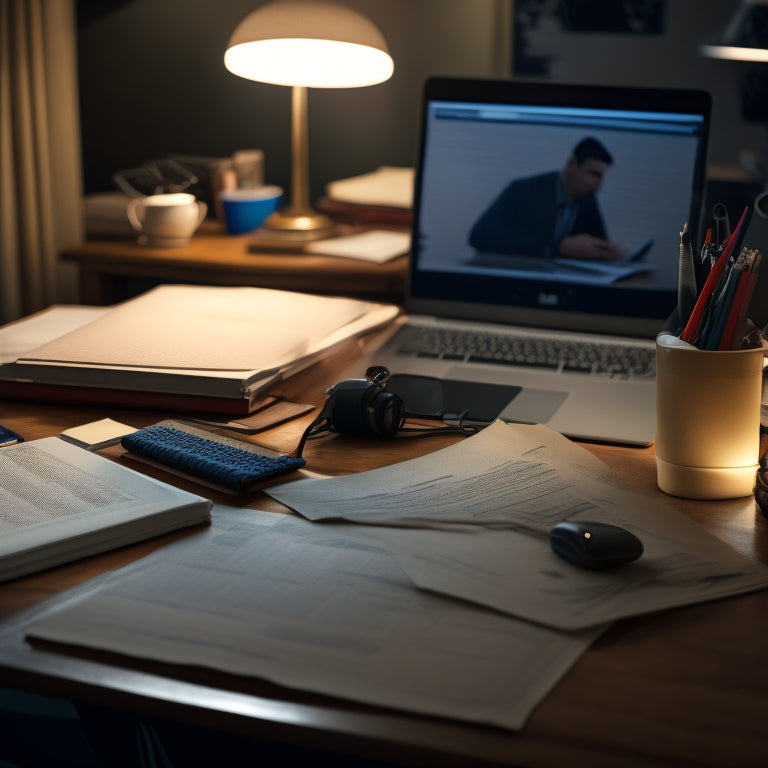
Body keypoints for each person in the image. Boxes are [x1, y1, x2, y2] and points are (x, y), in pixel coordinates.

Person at [468, 137, 627, 261]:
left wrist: (606, 250)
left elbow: (596, 242)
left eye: (602, 177)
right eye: (593, 174)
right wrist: (558, 248)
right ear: (571, 165)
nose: (598, 185)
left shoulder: (587, 198)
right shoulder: (525, 190)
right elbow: (479, 235)